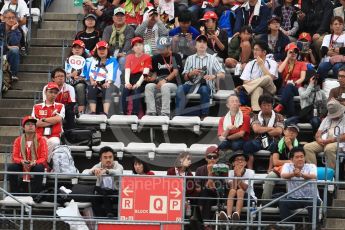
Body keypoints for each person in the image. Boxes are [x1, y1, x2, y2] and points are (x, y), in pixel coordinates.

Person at [175, 34, 225, 118]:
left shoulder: (212, 58)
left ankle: (204, 115)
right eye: (199, 42)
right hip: (191, 84)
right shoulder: (189, 58)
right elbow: (184, 77)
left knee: (204, 90)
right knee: (180, 88)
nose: (202, 44)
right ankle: (178, 114)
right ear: (195, 45)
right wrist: (191, 73)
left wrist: (214, 76)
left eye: (204, 42)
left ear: (206, 46)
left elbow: (222, 74)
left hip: (206, 84)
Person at [279, 147, 321, 222]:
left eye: (302, 157)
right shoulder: (287, 165)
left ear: (304, 158)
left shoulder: (311, 166)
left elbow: (313, 176)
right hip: (293, 198)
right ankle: (287, 227)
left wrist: (301, 174)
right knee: (282, 202)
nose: (300, 159)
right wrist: (293, 174)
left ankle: (314, 227)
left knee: (315, 203)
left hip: (310, 198)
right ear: (291, 159)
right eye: (297, 157)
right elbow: (283, 175)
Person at [8, 116, 48, 195]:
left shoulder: (41, 140)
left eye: (33, 124)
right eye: (28, 124)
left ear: (35, 127)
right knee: (11, 167)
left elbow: (44, 157)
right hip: (23, 164)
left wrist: (35, 162)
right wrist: (21, 161)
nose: (31, 126)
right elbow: (14, 157)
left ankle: (36, 194)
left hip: (35, 164)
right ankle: (14, 193)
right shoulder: (18, 140)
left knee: (39, 168)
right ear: (23, 127)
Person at [243, 94, 284, 169]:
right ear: (260, 106)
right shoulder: (255, 116)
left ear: (272, 106)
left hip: (274, 140)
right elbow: (256, 129)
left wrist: (263, 129)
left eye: (269, 105)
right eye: (264, 105)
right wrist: (271, 128)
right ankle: (250, 169)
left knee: (277, 145)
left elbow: (278, 131)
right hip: (258, 139)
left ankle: (270, 169)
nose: (266, 107)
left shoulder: (279, 116)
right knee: (247, 145)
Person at [261, 124, 299, 203]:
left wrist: (290, 146)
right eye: (289, 130)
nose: (291, 133)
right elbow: (276, 162)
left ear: (297, 134)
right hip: (279, 169)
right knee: (270, 176)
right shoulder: (277, 144)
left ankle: (291, 202)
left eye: (294, 131)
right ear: (284, 132)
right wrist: (289, 162)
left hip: (293, 170)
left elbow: (297, 161)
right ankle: (265, 203)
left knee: (293, 178)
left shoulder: (299, 147)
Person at [145, 36, 182, 117]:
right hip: (159, 82)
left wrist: (165, 80)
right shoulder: (155, 58)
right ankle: (151, 112)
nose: (160, 50)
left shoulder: (176, 56)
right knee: (148, 86)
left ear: (169, 47)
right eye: (159, 48)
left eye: (162, 48)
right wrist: (150, 79)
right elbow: (155, 74)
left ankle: (165, 113)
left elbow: (175, 72)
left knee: (165, 86)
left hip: (173, 84)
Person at [237, 40, 278, 112]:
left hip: (269, 89)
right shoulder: (250, 64)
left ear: (264, 52)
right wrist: (256, 84)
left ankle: (244, 89)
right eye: (254, 49)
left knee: (268, 77)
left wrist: (262, 65)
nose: (254, 52)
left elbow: (271, 79)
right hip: (254, 90)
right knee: (258, 88)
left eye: (257, 50)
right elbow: (245, 82)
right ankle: (256, 112)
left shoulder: (272, 63)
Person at [304, 100, 345, 169]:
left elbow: (344, 137)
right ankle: (312, 173)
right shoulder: (327, 118)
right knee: (307, 147)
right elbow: (318, 132)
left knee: (329, 148)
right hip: (324, 141)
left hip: (339, 142)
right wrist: (318, 139)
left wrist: (330, 140)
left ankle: (330, 174)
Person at [83, 146, 123, 217]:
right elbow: (88, 172)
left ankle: (110, 214)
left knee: (105, 191)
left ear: (113, 158)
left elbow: (119, 172)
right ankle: (100, 218)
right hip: (102, 193)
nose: (108, 159)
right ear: (100, 159)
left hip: (115, 194)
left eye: (110, 157)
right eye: (105, 157)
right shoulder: (98, 165)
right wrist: (94, 171)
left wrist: (107, 171)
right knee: (95, 195)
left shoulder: (118, 165)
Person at [85, 40, 121, 116]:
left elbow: (113, 73)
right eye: (99, 49)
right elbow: (91, 74)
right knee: (92, 87)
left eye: (103, 49)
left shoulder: (113, 60)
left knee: (107, 87)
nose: (102, 51)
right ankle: (93, 112)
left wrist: (108, 82)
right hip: (98, 83)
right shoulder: (94, 60)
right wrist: (92, 81)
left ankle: (106, 113)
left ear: (107, 50)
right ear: (97, 51)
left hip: (111, 83)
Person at [219, 151, 256, 222]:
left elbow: (245, 188)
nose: (239, 161)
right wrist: (236, 175)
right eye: (237, 160)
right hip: (234, 198)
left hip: (248, 198)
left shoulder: (250, 172)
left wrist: (238, 176)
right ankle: (229, 216)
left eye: (242, 159)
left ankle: (237, 216)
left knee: (240, 191)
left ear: (245, 163)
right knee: (233, 190)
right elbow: (232, 187)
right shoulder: (230, 172)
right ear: (233, 163)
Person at [32, 82, 65, 162]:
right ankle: (44, 163)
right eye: (50, 92)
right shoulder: (36, 107)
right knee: (40, 141)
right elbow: (36, 123)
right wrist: (52, 120)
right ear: (45, 92)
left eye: (55, 93)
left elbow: (58, 119)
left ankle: (43, 162)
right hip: (39, 134)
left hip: (54, 135)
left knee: (54, 142)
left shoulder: (60, 106)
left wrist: (43, 119)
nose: (53, 94)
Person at [195, 146, 225, 230]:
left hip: (217, 195)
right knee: (206, 196)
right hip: (204, 196)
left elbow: (219, 187)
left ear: (218, 158)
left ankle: (198, 216)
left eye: (214, 157)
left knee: (206, 191)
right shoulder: (199, 169)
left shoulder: (222, 169)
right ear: (206, 158)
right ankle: (206, 225)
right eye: (209, 157)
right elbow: (197, 188)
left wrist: (210, 173)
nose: (212, 159)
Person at [274, 43, 307, 117]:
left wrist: (294, 83)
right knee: (289, 95)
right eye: (291, 52)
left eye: (295, 52)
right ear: (287, 53)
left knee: (289, 86)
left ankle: (281, 105)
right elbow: (279, 71)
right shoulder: (283, 63)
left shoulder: (302, 64)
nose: (294, 53)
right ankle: (291, 116)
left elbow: (302, 78)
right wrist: (287, 58)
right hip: (283, 88)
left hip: (296, 87)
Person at [122, 37, 152, 116]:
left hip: (142, 79)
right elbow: (127, 71)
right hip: (131, 78)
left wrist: (138, 84)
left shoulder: (147, 57)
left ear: (143, 46)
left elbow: (145, 72)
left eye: (140, 45)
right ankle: (124, 112)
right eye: (135, 45)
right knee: (125, 90)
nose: (138, 47)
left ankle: (135, 113)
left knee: (136, 90)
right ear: (132, 48)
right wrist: (127, 83)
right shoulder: (129, 57)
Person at [102, 7, 135, 71]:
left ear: (125, 18)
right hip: (110, 53)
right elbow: (105, 43)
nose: (119, 17)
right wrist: (110, 55)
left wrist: (123, 53)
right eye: (117, 15)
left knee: (122, 60)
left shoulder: (130, 29)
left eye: (122, 15)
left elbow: (128, 43)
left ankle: (123, 79)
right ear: (113, 18)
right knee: (104, 59)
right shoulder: (108, 29)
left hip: (125, 53)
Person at [64, 40, 89, 114]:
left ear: (83, 50)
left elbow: (88, 75)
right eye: (75, 48)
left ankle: (81, 110)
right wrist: (71, 75)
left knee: (80, 86)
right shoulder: (67, 60)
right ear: (72, 50)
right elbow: (64, 74)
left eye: (79, 48)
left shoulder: (87, 61)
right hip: (69, 81)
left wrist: (80, 77)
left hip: (82, 81)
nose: (77, 49)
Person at [317, 16, 345, 81]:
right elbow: (323, 50)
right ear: (331, 26)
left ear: (343, 26)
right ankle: (321, 84)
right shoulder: (327, 36)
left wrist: (335, 50)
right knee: (321, 66)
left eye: (340, 24)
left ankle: (338, 85)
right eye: (335, 24)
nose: (338, 26)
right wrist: (339, 50)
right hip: (329, 60)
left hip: (342, 61)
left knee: (337, 67)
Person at [0, 9, 22, 81]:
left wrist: (13, 30)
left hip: (7, 54)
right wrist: (7, 46)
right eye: (9, 18)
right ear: (4, 18)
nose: (11, 20)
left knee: (15, 50)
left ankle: (13, 74)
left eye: (13, 17)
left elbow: (15, 44)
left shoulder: (18, 31)